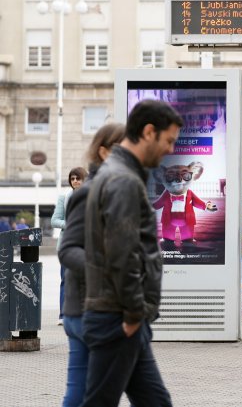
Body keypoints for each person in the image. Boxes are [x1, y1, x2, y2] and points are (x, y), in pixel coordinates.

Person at [82, 100, 181, 406]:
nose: (169, 150)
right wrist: (134, 314)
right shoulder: (123, 180)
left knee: (156, 402)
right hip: (118, 317)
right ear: (149, 132)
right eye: (168, 141)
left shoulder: (118, 174)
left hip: (121, 315)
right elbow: (122, 253)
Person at [56, 122, 126, 407]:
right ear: (104, 152)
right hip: (90, 309)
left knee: (82, 389)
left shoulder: (119, 188)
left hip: (99, 308)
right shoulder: (89, 193)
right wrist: (104, 269)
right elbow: (68, 249)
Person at [52, 166, 87, 326]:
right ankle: (63, 315)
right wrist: (71, 224)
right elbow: (54, 220)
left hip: (87, 245)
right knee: (66, 280)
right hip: (68, 245)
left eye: (78, 178)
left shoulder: (92, 196)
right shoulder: (63, 197)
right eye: (72, 179)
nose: (75, 181)